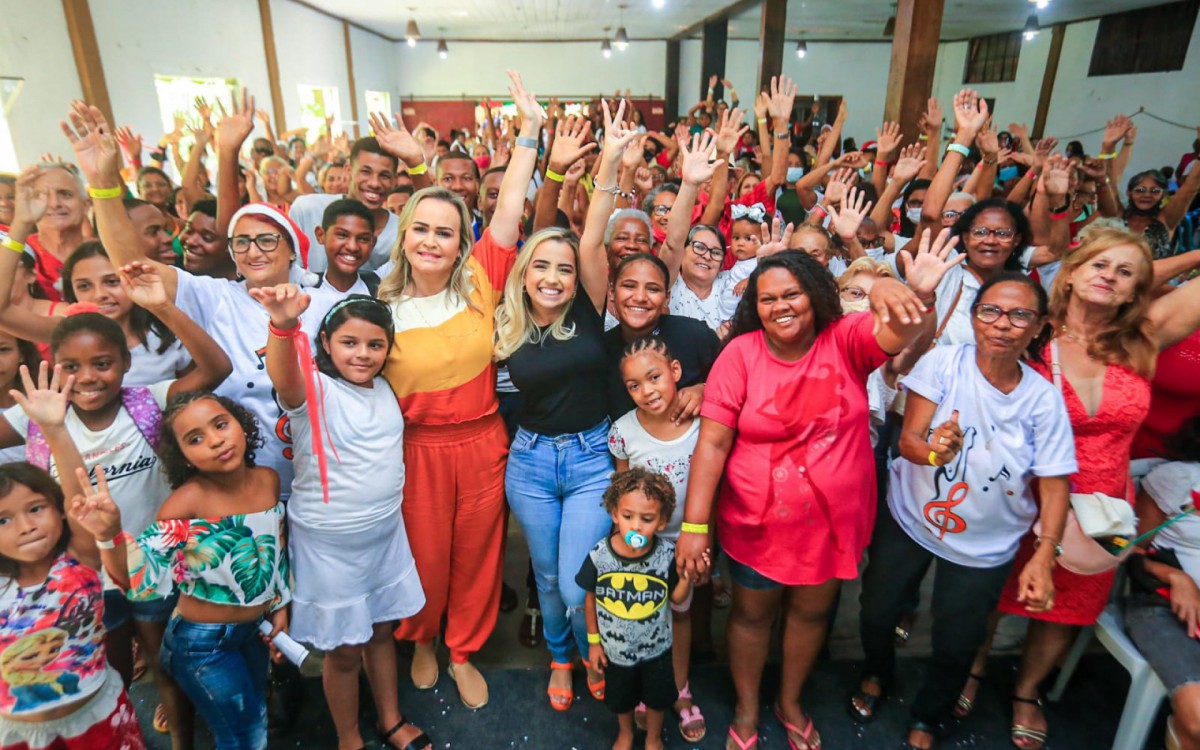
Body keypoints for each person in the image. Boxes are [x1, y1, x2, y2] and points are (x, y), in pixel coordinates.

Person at [676, 228, 964, 750]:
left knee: (811, 615)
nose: (780, 307)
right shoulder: (739, 356)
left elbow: (899, 329)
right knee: (750, 616)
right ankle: (745, 708)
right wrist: (696, 526)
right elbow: (713, 446)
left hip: (833, 525)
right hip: (756, 523)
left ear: (815, 292)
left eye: (792, 294)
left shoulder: (847, 340)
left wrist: (893, 288)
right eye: (768, 299)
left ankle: (789, 700)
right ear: (754, 306)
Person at [968, 226, 1200, 749]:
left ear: (1136, 292)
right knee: (989, 594)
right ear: (1070, 274)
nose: (1109, 278)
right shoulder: (1029, 331)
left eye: (1125, 274)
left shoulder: (1141, 337)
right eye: (1099, 265)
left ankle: (1027, 691)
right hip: (1021, 496)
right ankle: (973, 670)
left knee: (1069, 606)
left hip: (1105, 509)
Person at [853, 273, 1075, 750]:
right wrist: (934, 451)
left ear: (1039, 327)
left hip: (984, 545)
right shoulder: (942, 364)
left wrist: (1045, 554)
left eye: (1020, 315)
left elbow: (1056, 485)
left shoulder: (1043, 400)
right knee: (876, 610)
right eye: (990, 311)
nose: (1002, 325)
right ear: (974, 318)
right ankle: (876, 672)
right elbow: (909, 440)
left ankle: (928, 718)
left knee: (957, 641)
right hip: (910, 518)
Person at [377, 70, 536, 711]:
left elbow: (508, 207)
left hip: (480, 444)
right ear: (405, 237)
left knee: (477, 554)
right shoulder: (378, 309)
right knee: (422, 554)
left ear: (460, 240)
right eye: (422, 229)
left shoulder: (479, 284)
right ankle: (421, 640)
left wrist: (527, 131)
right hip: (413, 450)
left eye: (447, 231)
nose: (434, 240)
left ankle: (464, 648)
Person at [497, 98, 640, 712]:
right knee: (548, 576)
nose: (554, 277)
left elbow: (594, 227)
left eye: (563, 268)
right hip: (528, 463)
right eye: (541, 267)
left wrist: (607, 163)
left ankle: (592, 652)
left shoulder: (588, 305)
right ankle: (561, 656)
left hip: (588, 460)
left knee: (585, 570)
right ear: (525, 274)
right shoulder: (504, 324)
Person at [251, 288, 429, 750]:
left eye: (375, 344)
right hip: (330, 547)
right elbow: (285, 375)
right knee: (346, 650)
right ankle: (349, 738)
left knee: (383, 630)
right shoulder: (313, 389)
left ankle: (390, 720)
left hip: (385, 535)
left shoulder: (386, 389)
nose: (363, 354)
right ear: (325, 343)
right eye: (349, 342)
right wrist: (283, 325)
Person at [73, 392, 290, 750]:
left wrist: (279, 606)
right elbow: (135, 579)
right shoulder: (184, 505)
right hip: (202, 645)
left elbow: (274, 552)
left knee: (255, 722)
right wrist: (108, 534)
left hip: (253, 632)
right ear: (182, 456)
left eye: (220, 424)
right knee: (243, 737)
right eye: (195, 438)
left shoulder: (268, 480)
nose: (216, 440)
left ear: (241, 424)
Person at [0, 365, 144, 750]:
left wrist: (56, 429)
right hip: (16, 735)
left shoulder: (78, 558)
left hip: (99, 718)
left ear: (60, 510)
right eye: (4, 519)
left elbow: (75, 485)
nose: (25, 526)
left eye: (36, 508)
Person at [609, 337, 706, 742]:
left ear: (676, 373)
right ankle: (648, 692)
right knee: (648, 619)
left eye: (654, 377)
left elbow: (711, 491)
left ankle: (679, 689)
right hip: (644, 550)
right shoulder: (623, 432)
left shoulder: (702, 425)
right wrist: (629, 549)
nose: (647, 391)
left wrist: (704, 539)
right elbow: (621, 494)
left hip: (687, 543)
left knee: (680, 615)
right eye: (634, 385)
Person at [577, 468, 703, 750]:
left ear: (661, 521)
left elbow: (675, 598)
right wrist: (594, 642)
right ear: (614, 514)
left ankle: (654, 738)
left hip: (656, 651)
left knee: (657, 699)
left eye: (647, 519)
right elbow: (590, 599)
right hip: (615, 652)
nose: (636, 526)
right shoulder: (600, 555)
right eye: (628, 516)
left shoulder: (666, 555)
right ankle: (626, 733)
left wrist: (686, 577)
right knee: (621, 699)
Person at [0, 237, 191, 386]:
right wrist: (21, 224)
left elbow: (206, 378)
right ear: (71, 292)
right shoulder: (64, 331)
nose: (99, 295)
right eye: (84, 286)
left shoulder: (168, 334)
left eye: (112, 282)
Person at [1125, 417, 1200, 750]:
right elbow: (1128, 552)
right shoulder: (1177, 479)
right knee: (1198, 720)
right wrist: (1176, 576)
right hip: (1163, 606)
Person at [603, 252, 719, 423]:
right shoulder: (601, 349)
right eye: (629, 286)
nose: (640, 297)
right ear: (612, 292)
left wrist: (704, 390)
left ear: (667, 297)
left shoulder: (694, 334)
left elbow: (733, 383)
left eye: (653, 289)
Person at [289, 135, 412, 273]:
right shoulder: (308, 210)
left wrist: (417, 163)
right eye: (366, 172)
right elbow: (288, 271)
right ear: (348, 171)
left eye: (384, 176)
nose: (374, 183)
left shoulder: (401, 233)